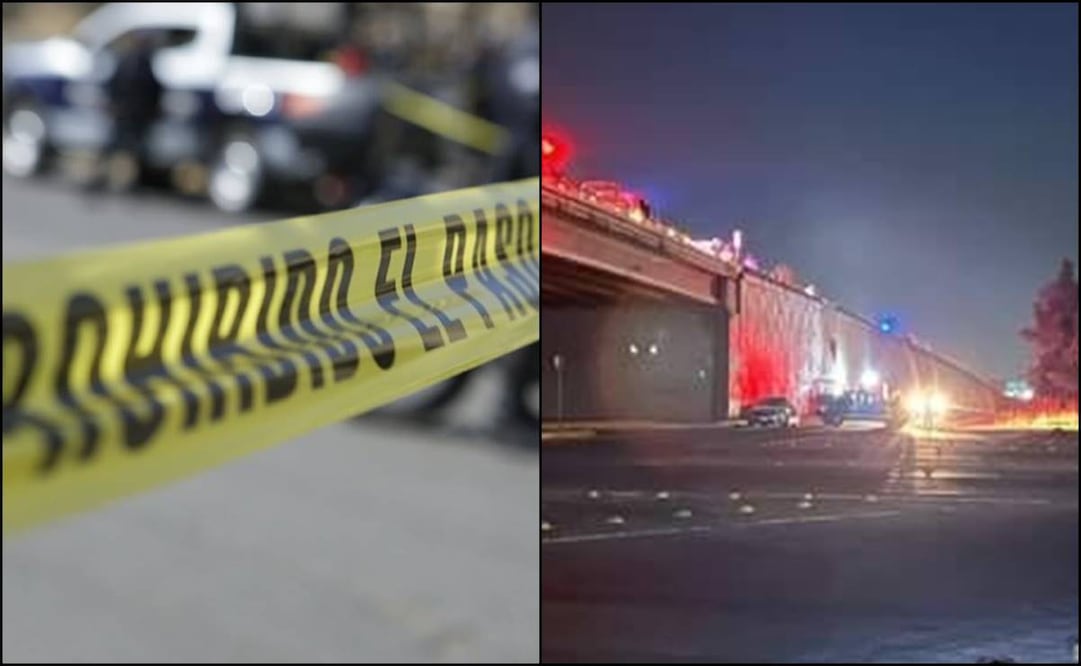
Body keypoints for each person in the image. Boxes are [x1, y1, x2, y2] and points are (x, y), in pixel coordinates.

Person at [85, 30, 162, 192]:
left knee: (131, 150)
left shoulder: (143, 63)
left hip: (136, 115)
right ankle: (98, 178)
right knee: (112, 148)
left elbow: (154, 91)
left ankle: (131, 182)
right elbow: (115, 84)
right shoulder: (130, 61)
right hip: (125, 113)